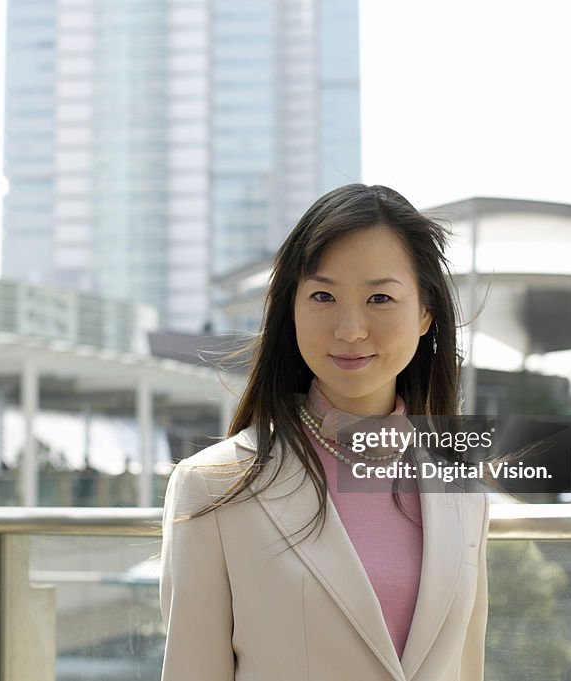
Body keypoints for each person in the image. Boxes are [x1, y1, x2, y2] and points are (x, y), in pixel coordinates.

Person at [159, 184, 490, 681]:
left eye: (380, 297)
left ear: (426, 314)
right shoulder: (213, 485)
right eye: (322, 295)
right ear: (290, 310)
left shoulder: (462, 487)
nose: (350, 328)